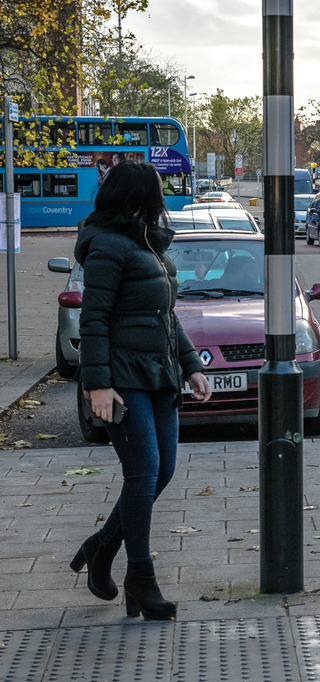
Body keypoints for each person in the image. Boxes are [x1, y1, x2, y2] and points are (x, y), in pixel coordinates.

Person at [70, 159, 211, 621]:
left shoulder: (146, 244)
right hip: (124, 379)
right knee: (144, 471)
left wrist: (191, 365)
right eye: (155, 193)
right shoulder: (109, 246)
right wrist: (99, 385)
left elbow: (165, 316)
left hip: (159, 375)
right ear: (137, 198)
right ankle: (141, 579)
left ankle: (101, 546)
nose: (162, 201)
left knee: (161, 471)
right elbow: (93, 320)